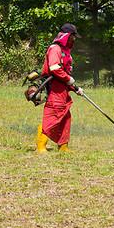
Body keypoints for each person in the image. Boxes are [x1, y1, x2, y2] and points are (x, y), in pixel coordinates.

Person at [36, 23, 82, 153]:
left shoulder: (66, 52)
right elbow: (55, 69)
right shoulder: (55, 49)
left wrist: (75, 88)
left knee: (65, 118)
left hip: (63, 90)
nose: (74, 39)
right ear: (67, 36)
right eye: (73, 36)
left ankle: (63, 147)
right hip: (54, 90)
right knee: (53, 116)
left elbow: (66, 75)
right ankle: (41, 146)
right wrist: (69, 79)